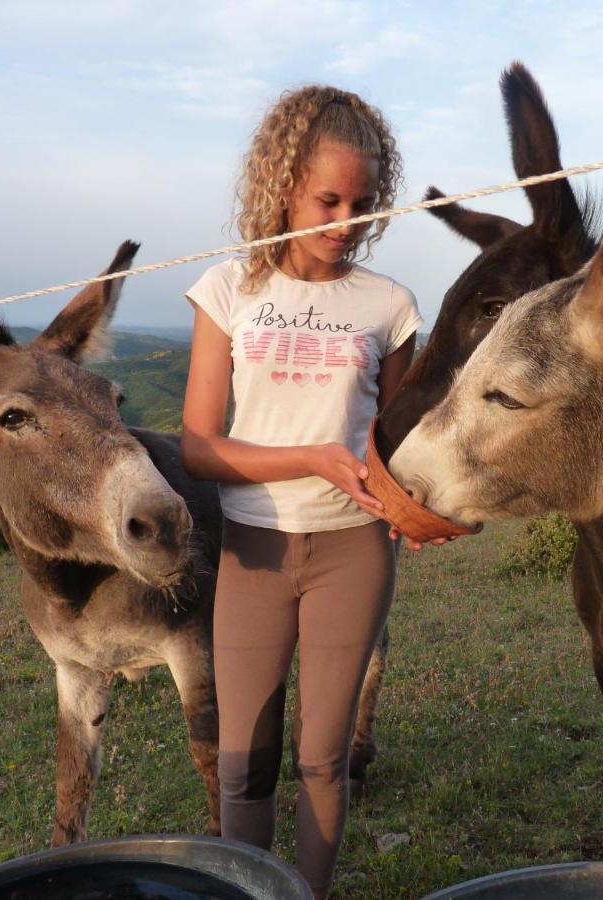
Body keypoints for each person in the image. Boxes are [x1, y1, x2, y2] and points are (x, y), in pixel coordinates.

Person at [180, 85, 422, 898]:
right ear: (283, 186)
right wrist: (312, 457)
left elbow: (397, 448)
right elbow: (198, 446)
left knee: (324, 757)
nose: (346, 220)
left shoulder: (388, 306)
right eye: (328, 199)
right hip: (252, 548)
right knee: (246, 764)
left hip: (352, 552)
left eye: (362, 202)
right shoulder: (228, 292)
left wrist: (412, 507)